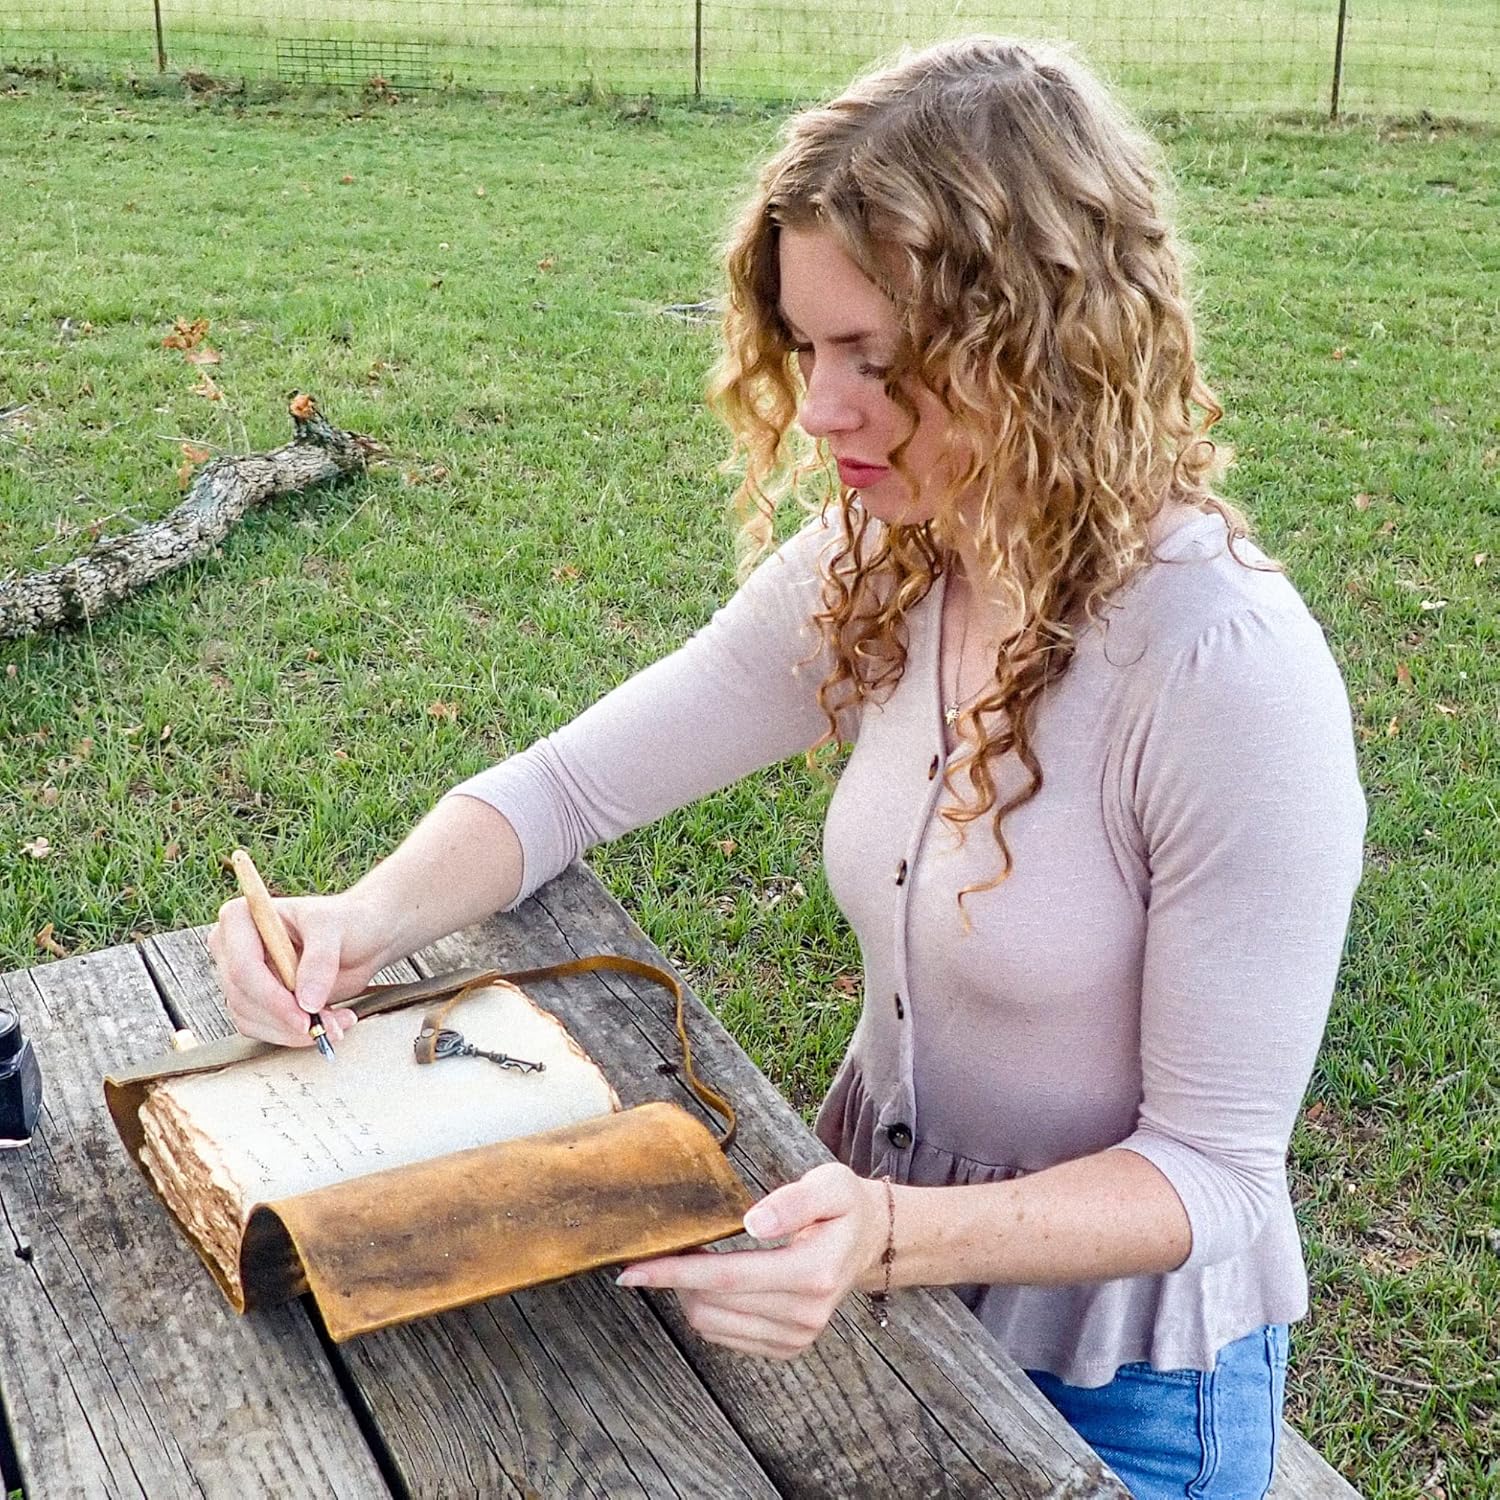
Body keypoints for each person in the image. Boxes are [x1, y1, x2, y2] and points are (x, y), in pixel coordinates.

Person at [211, 36, 1366, 1498]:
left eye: (878, 362)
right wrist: (356, 923)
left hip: (1125, 1385)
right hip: (869, 1271)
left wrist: (887, 1235)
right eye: (808, 347)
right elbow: (569, 788)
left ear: (1045, 347)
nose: (820, 410)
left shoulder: (1224, 669)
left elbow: (1214, 1171)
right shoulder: (893, 555)